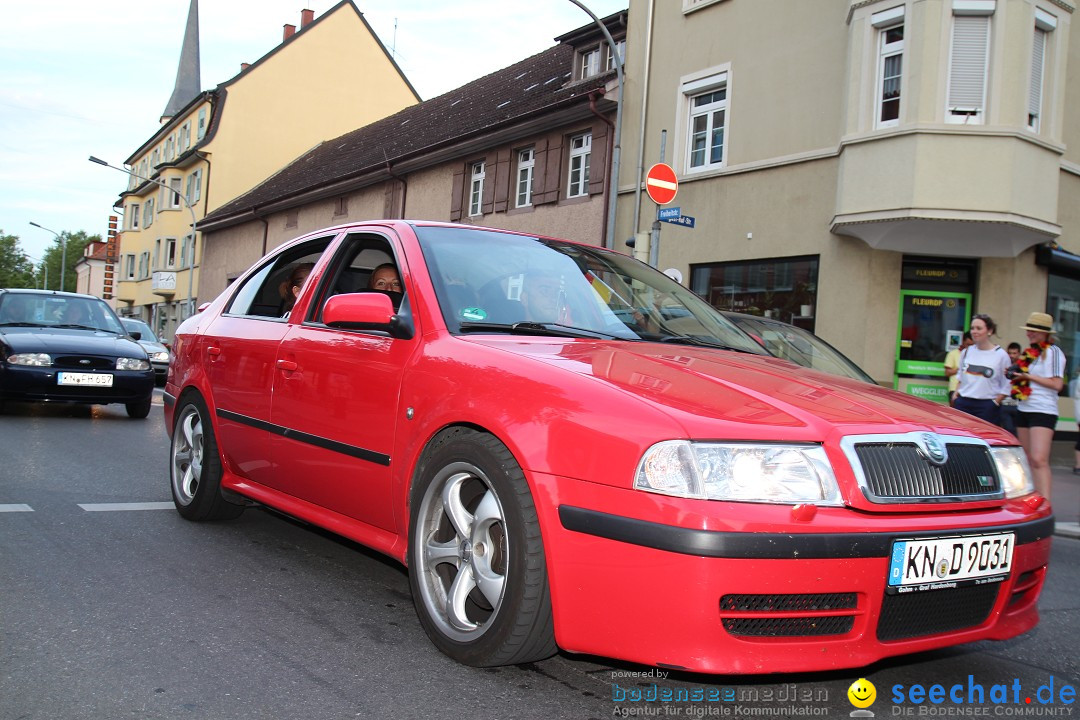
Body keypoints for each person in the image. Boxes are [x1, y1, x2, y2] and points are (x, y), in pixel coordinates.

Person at [1011, 312, 1065, 501]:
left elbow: (1057, 385)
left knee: (1039, 459)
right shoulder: (1029, 354)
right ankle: (1033, 499)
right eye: (1029, 331)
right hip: (1025, 407)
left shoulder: (1054, 352)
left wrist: (1028, 377)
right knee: (1026, 458)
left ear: (1045, 333)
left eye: (1034, 331)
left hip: (1043, 409)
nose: (1030, 334)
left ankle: (1046, 503)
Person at [952, 314, 1010, 424]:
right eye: (972, 328)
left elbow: (1008, 383)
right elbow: (961, 377)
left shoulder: (1001, 355)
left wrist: (996, 402)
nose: (974, 331)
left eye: (979, 328)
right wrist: (956, 395)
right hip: (964, 403)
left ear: (989, 331)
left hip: (986, 405)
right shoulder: (966, 352)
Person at [943, 331, 973, 407]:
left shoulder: (976, 355)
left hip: (970, 390)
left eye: (972, 345)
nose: (969, 348)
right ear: (963, 341)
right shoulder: (953, 354)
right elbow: (947, 372)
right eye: (968, 345)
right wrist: (962, 369)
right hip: (955, 389)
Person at [998, 341, 1022, 436]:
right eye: (1010, 353)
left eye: (1014, 353)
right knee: (1008, 431)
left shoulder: (1023, 368)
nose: (1011, 356)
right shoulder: (1004, 366)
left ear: (1019, 353)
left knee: (1018, 432)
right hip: (1004, 403)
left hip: (1018, 405)